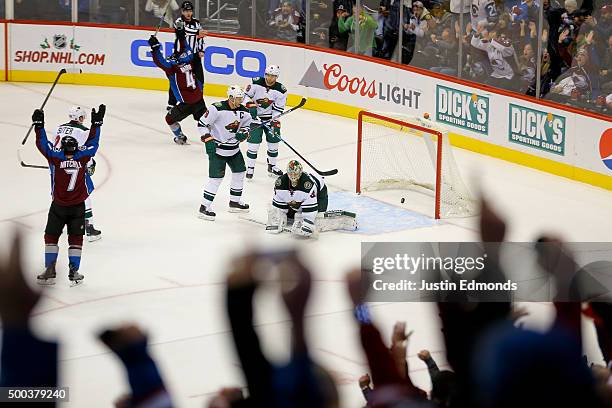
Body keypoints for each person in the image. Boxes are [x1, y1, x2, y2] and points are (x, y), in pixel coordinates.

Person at [33, 104, 105, 286]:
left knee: (51, 236)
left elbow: (43, 145)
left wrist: (39, 126)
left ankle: (50, 269)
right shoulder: (83, 157)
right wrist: (97, 125)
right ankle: (74, 270)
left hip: (58, 205)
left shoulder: (55, 158)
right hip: (77, 207)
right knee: (75, 239)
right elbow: (93, 144)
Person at [197, 85, 252, 220]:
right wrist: (208, 139)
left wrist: (243, 134)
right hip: (218, 150)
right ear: (231, 98)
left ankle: (234, 202)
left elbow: (246, 127)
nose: (240, 101)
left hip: (234, 150)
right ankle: (204, 207)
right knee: (216, 179)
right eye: (238, 99)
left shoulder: (244, 112)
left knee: (239, 172)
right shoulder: (216, 108)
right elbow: (201, 124)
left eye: (241, 98)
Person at [149, 22, 206, 145]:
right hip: (199, 97)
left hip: (186, 102)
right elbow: (186, 48)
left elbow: (159, 61)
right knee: (205, 121)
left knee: (169, 119)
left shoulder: (171, 69)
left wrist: (154, 48)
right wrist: (180, 35)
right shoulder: (188, 58)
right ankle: (216, 138)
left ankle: (180, 136)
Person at [266, 160, 357, 238]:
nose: (293, 176)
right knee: (292, 216)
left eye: (296, 173)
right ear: (287, 172)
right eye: (291, 173)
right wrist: (279, 218)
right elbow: (279, 204)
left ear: (300, 173)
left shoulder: (307, 185)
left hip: (320, 194)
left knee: (317, 218)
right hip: (297, 199)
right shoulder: (280, 183)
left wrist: (307, 223)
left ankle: (341, 221)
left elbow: (310, 208)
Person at [52, 106, 102, 242]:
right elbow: (88, 148)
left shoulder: (58, 128)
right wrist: (90, 163)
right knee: (83, 192)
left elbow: (53, 147)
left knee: (59, 191)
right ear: (79, 118)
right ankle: (89, 228)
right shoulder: (83, 131)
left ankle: (58, 224)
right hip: (74, 164)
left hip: (56, 164)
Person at [244, 64, 287, 179]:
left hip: (269, 118)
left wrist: (274, 122)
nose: (269, 78)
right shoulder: (256, 82)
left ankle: (272, 166)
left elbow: (278, 110)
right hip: (254, 118)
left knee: (274, 142)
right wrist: (250, 105)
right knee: (253, 145)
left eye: (272, 76)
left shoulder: (281, 91)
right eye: (268, 75)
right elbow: (245, 97)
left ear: (276, 77)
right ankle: (250, 168)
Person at [167, 1, 206, 112]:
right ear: (182, 11)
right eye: (186, 11)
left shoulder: (197, 23)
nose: (188, 13)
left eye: (190, 11)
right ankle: (172, 102)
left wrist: (201, 49)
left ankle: (198, 100)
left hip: (194, 56)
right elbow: (184, 32)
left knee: (200, 79)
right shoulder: (178, 22)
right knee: (177, 78)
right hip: (181, 56)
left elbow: (201, 38)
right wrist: (198, 32)